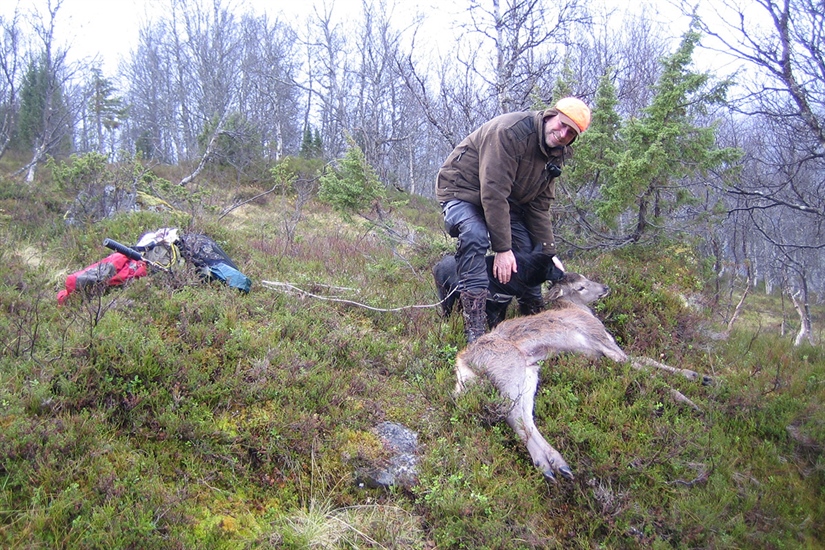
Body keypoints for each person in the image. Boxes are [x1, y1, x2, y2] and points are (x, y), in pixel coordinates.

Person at [436, 97, 591, 343]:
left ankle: (532, 312)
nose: (562, 134)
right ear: (551, 115)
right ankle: (475, 325)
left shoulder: (555, 152)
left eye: (570, 133)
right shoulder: (509, 132)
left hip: (506, 202)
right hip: (462, 192)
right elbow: (493, 192)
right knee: (475, 236)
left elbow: (539, 207)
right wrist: (503, 248)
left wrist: (548, 253)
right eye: (561, 125)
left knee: (531, 250)